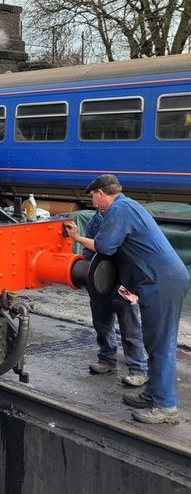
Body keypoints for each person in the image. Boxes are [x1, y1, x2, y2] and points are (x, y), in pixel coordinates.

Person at [64, 174, 190, 424]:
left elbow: (105, 246)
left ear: (101, 193)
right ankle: (153, 394)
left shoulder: (119, 209)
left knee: (161, 343)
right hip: (156, 280)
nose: (93, 202)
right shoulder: (129, 205)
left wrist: (76, 238)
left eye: (93, 196)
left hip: (161, 282)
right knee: (155, 340)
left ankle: (166, 407)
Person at [80, 210, 148, 387]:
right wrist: (87, 275)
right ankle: (107, 359)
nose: (95, 203)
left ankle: (139, 369)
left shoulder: (124, 218)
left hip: (123, 281)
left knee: (130, 328)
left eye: (96, 196)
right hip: (100, 280)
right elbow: (89, 252)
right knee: (101, 323)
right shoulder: (94, 222)